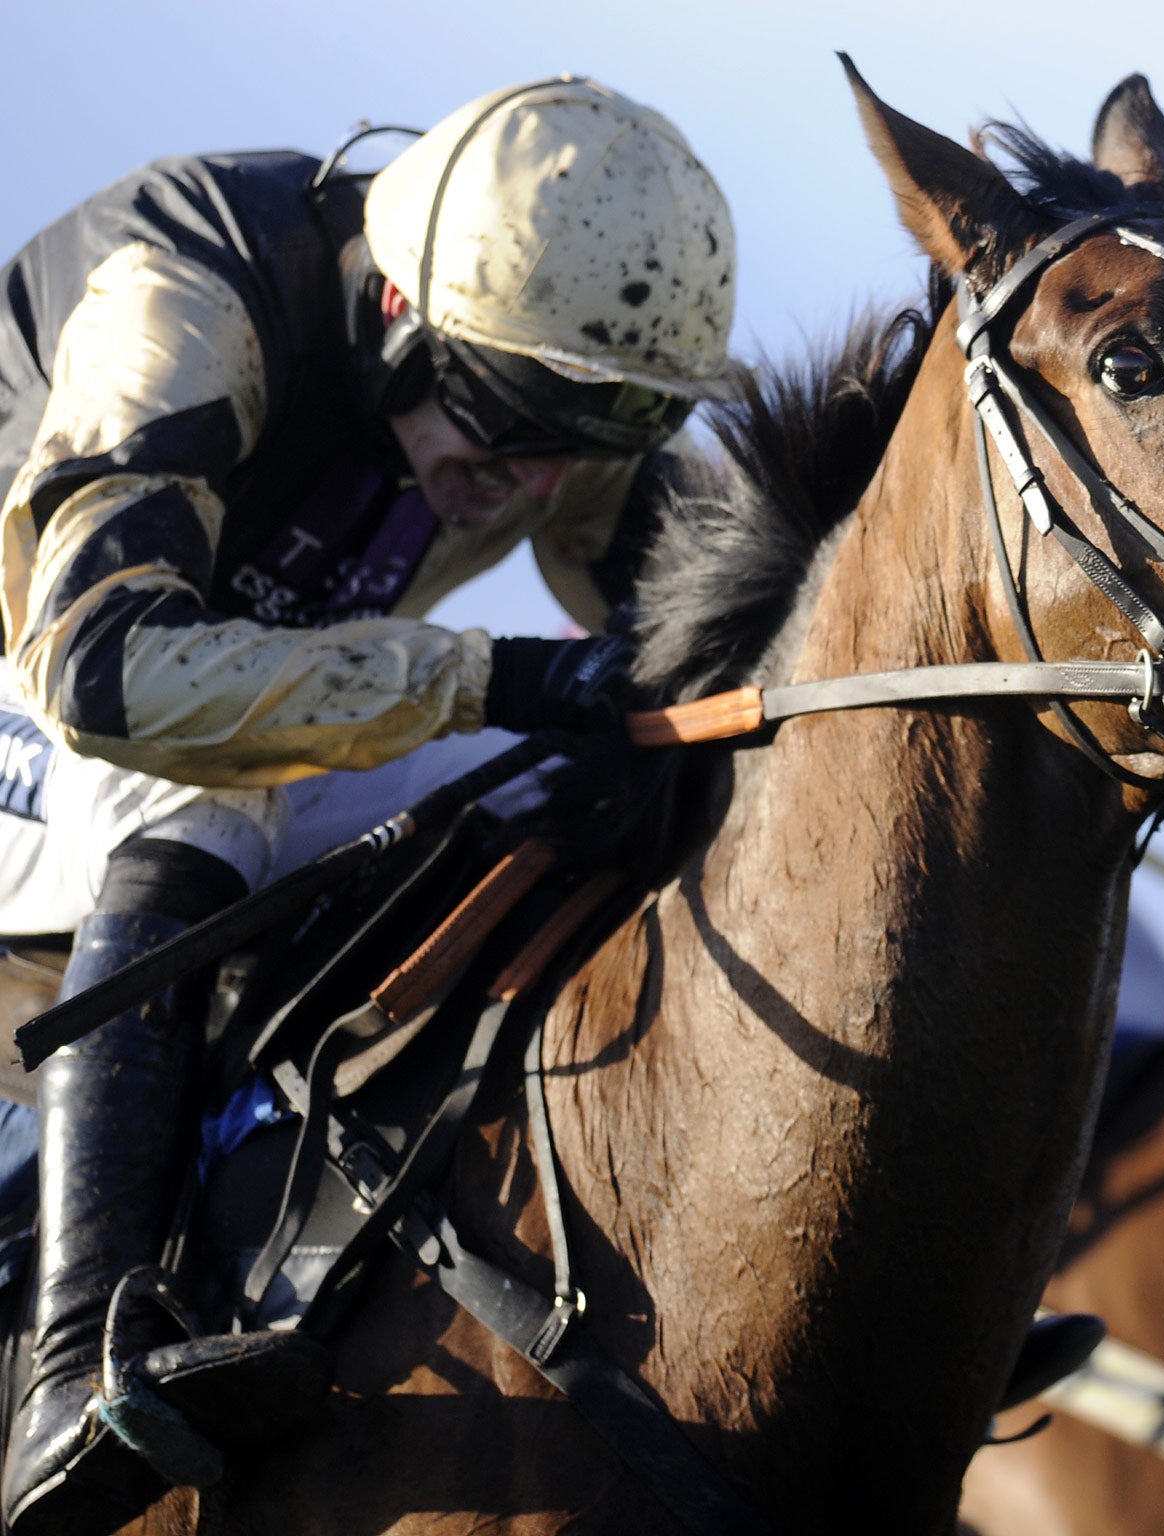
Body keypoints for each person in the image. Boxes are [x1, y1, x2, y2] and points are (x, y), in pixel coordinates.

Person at [0, 77, 735, 1536]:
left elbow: (716, 642)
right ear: (402, 304)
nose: (537, 479)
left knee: (632, 774)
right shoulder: (187, 296)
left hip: (216, 710)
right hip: (52, 669)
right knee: (196, 799)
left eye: (594, 434)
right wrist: (494, 671)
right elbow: (104, 672)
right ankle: (77, 1373)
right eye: (518, 420)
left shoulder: (527, 378)